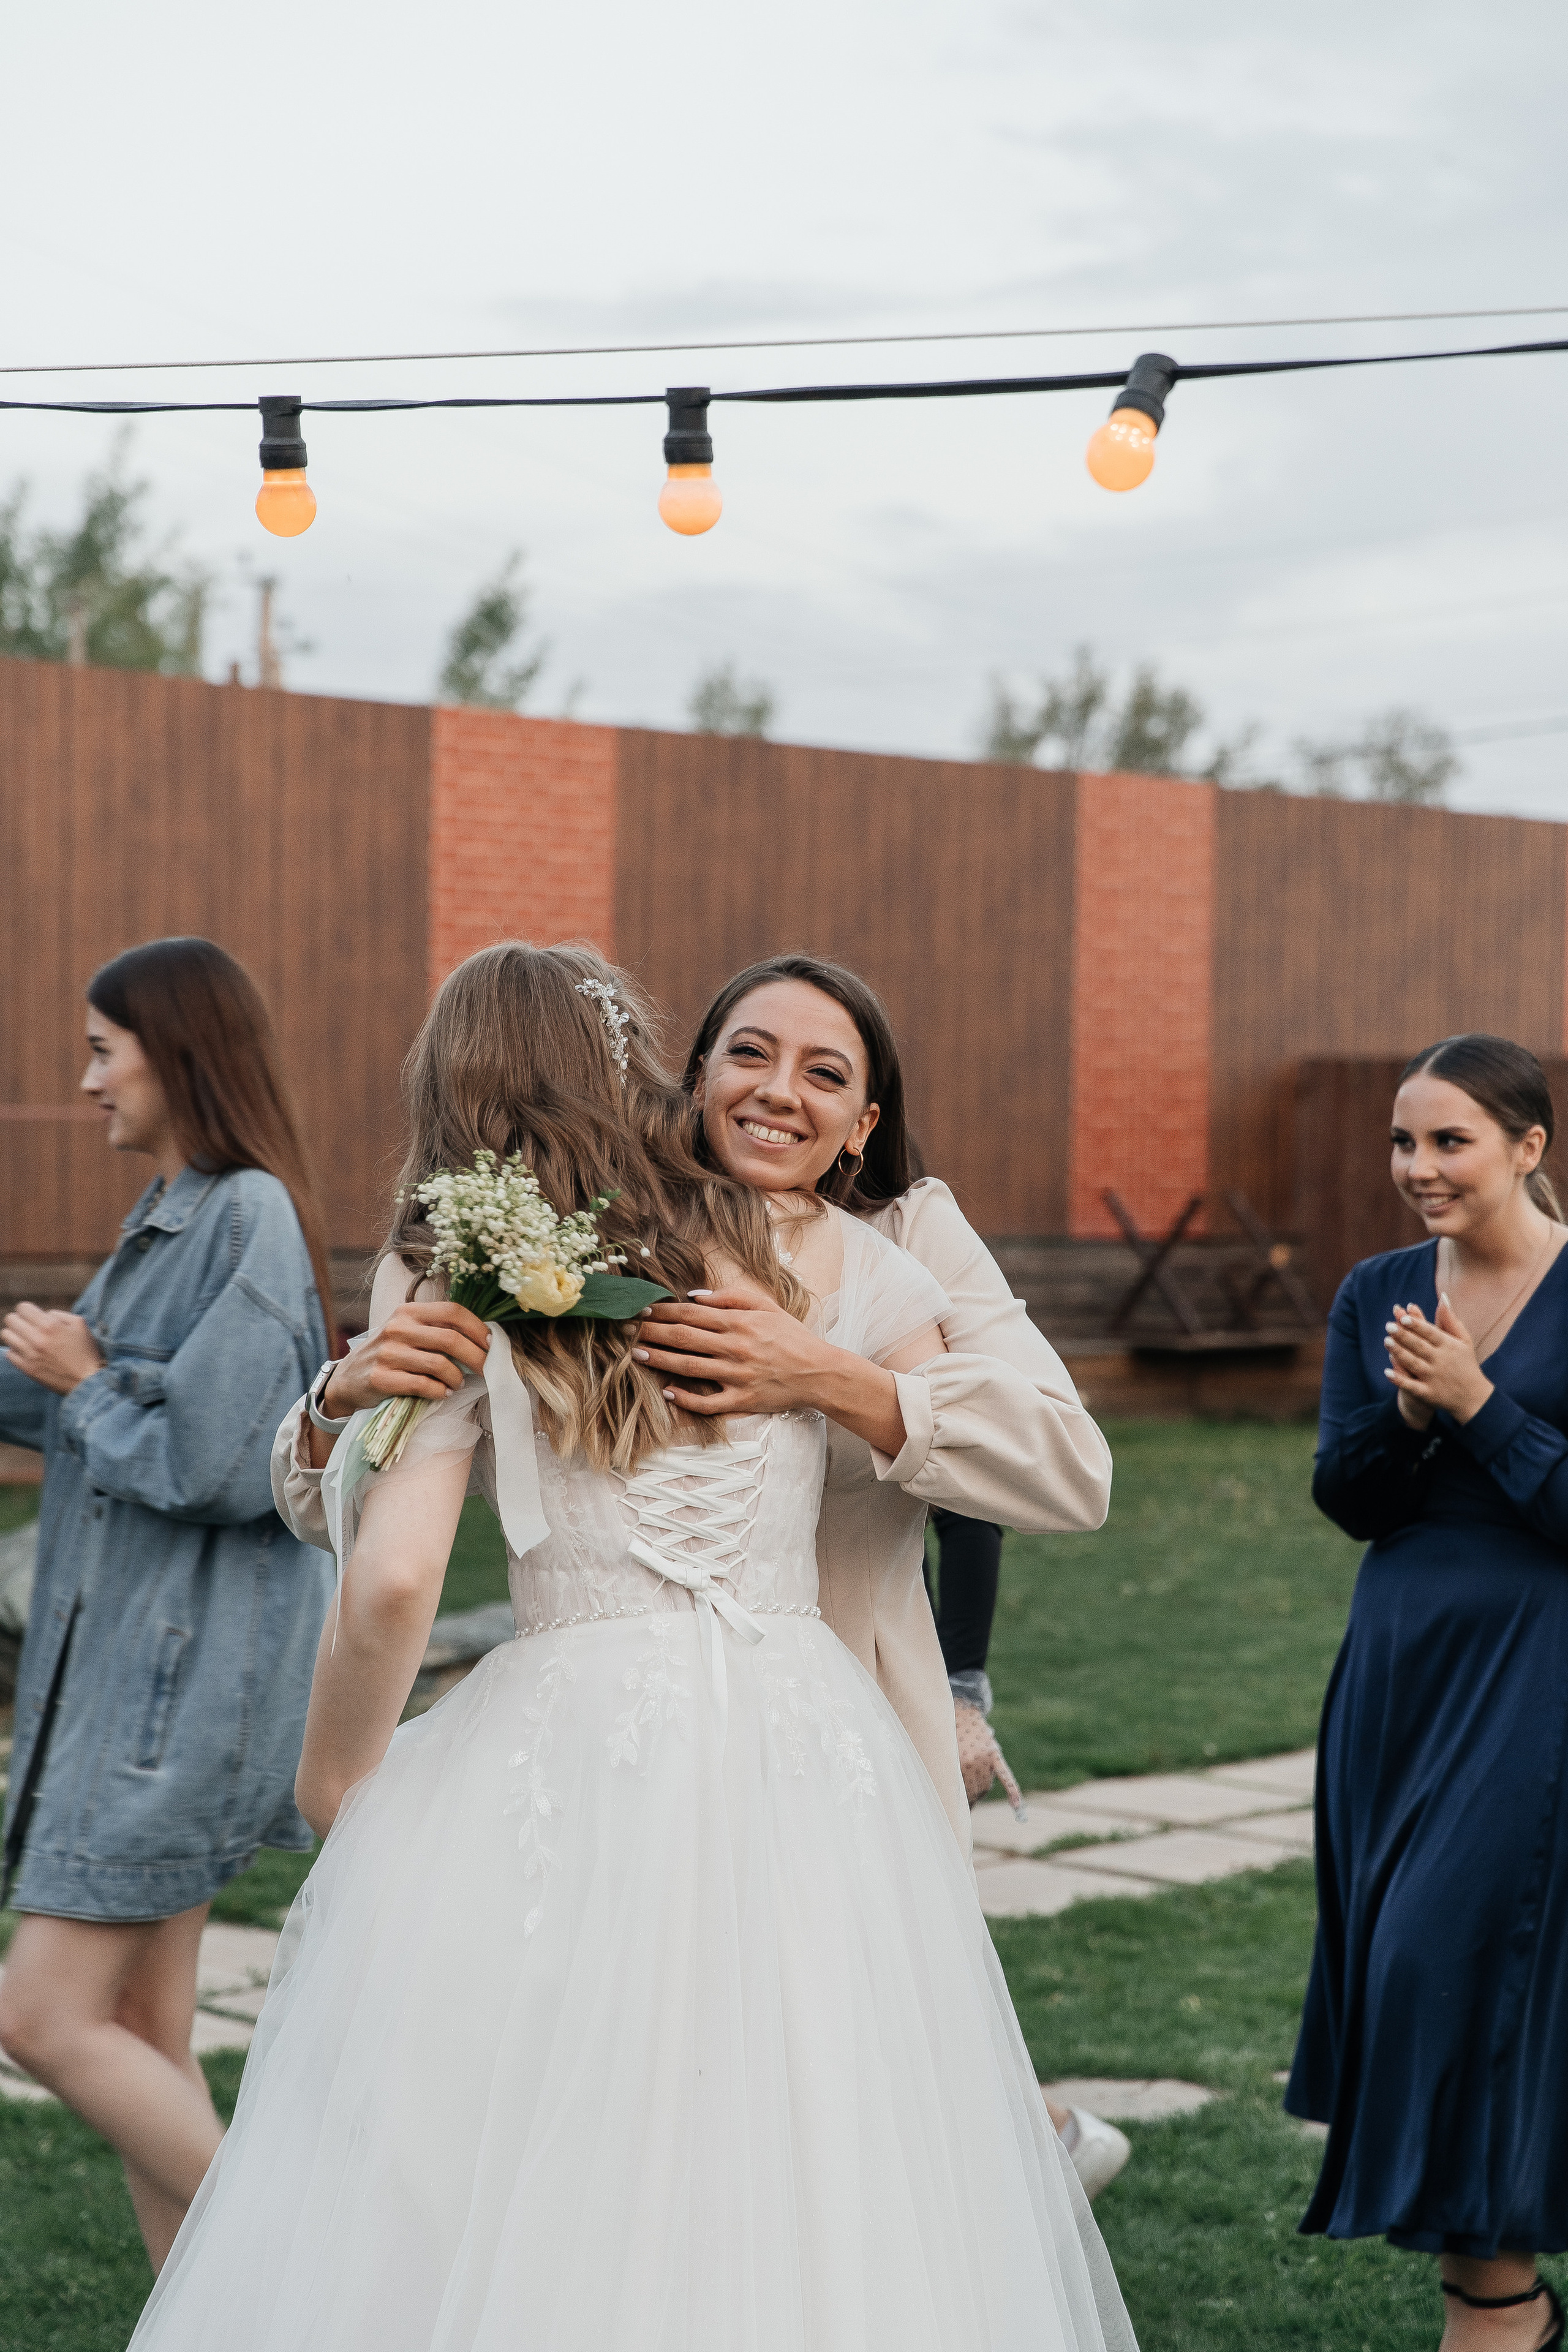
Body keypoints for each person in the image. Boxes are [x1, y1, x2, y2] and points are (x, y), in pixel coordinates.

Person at [131, 941, 1136, 2352]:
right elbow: (338, 1503)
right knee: (651, 2141)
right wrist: (328, 1406)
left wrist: (826, 1379)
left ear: (861, 1123)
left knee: (745, 2137)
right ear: (682, 1069)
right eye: (749, 1055)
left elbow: (1064, 1471)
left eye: (823, 1074)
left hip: (799, 1733)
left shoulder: (881, 1243)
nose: (777, 1090)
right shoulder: (544, 1245)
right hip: (714, 1746)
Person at [0, 937, 335, 2274]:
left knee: (38, 2018)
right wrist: (67, 1381)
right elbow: (95, 1410)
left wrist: (83, 1381)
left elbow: (211, 1460)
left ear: (176, 1052)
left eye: (101, 1050)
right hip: (150, 1683)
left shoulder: (243, 1215)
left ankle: (331, 2269)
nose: (85, 1081)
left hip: (177, 1697)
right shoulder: (176, 1215)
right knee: (140, 2033)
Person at [1286, 1033, 1568, 2352]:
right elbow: (1346, 1500)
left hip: (1539, 1669)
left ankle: (1494, 2303)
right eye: (1402, 1142)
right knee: (1406, 1965)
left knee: (1452, 1955)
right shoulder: (1376, 1292)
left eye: (1447, 1140)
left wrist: (1475, 1404)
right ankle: (1496, 2289)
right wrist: (1400, 1422)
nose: (1415, 1168)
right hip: (1398, 1674)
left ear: (1527, 1146)